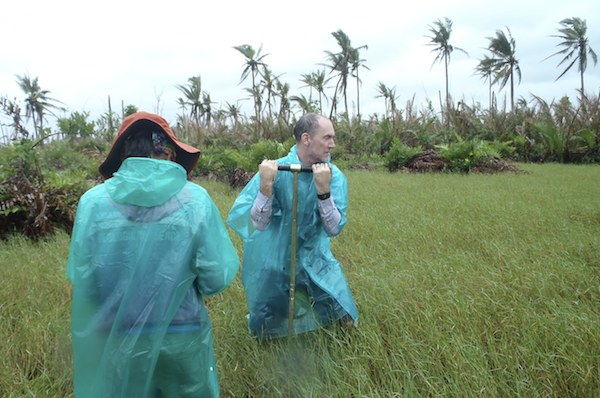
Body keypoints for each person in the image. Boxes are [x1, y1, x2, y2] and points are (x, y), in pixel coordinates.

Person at [67, 111, 239, 397]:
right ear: (168, 153)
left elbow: (83, 279)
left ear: (123, 155)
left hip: (115, 337)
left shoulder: (92, 203)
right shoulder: (195, 200)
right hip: (182, 337)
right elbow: (215, 278)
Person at [227, 113, 358, 339]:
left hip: (317, 257)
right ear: (306, 138)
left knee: (346, 317)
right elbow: (258, 224)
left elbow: (333, 229)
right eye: (327, 138)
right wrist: (265, 187)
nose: (332, 144)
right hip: (277, 261)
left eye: (333, 138)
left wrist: (323, 191)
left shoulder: (333, 176)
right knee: (263, 326)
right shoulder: (276, 171)